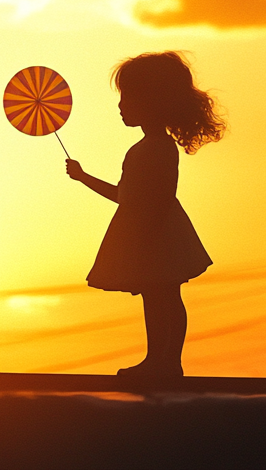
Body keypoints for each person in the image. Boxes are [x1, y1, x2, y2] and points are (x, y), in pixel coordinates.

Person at [65, 52, 225, 379]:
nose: (121, 106)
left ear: (153, 101)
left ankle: (168, 361)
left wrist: (145, 235)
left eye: (129, 97)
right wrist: (84, 177)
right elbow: (125, 197)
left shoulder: (159, 147)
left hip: (157, 234)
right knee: (155, 297)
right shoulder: (144, 148)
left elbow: (160, 197)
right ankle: (158, 359)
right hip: (148, 233)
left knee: (165, 296)